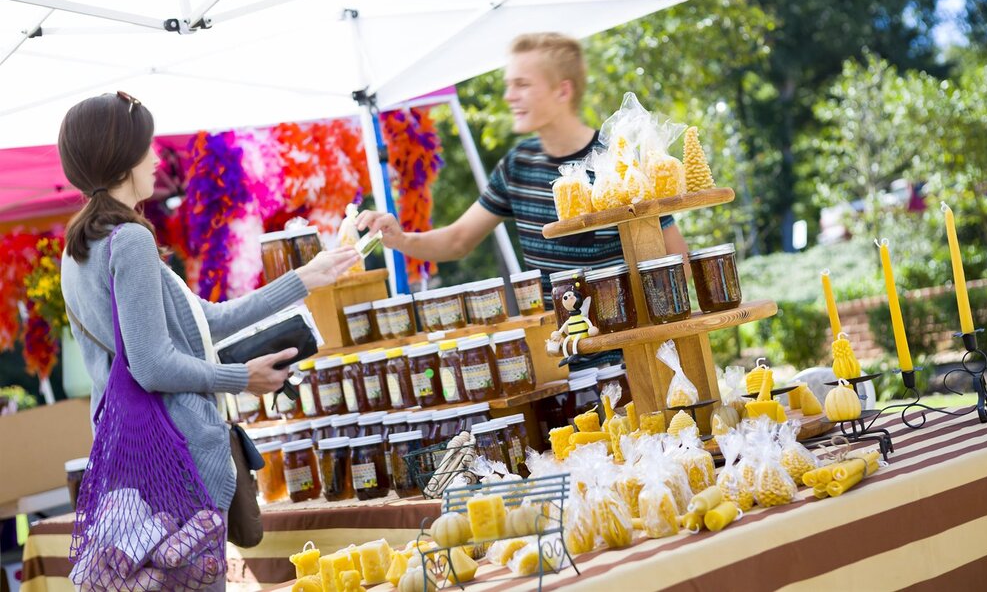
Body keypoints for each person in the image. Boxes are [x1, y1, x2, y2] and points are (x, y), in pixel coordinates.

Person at [58, 91, 360, 589]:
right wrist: (241, 377)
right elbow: (153, 365)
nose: (156, 158)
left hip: (133, 452)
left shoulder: (79, 249)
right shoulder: (129, 239)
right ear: (121, 157)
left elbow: (204, 321)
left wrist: (304, 278)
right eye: (147, 146)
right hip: (178, 452)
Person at [357, 32, 688, 309]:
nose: (509, 96)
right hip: (564, 358)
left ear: (563, 90)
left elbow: (678, 261)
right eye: (509, 85)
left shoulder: (620, 163)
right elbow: (458, 240)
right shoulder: (517, 164)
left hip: (632, 360)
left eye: (522, 84)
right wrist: (400, 239)